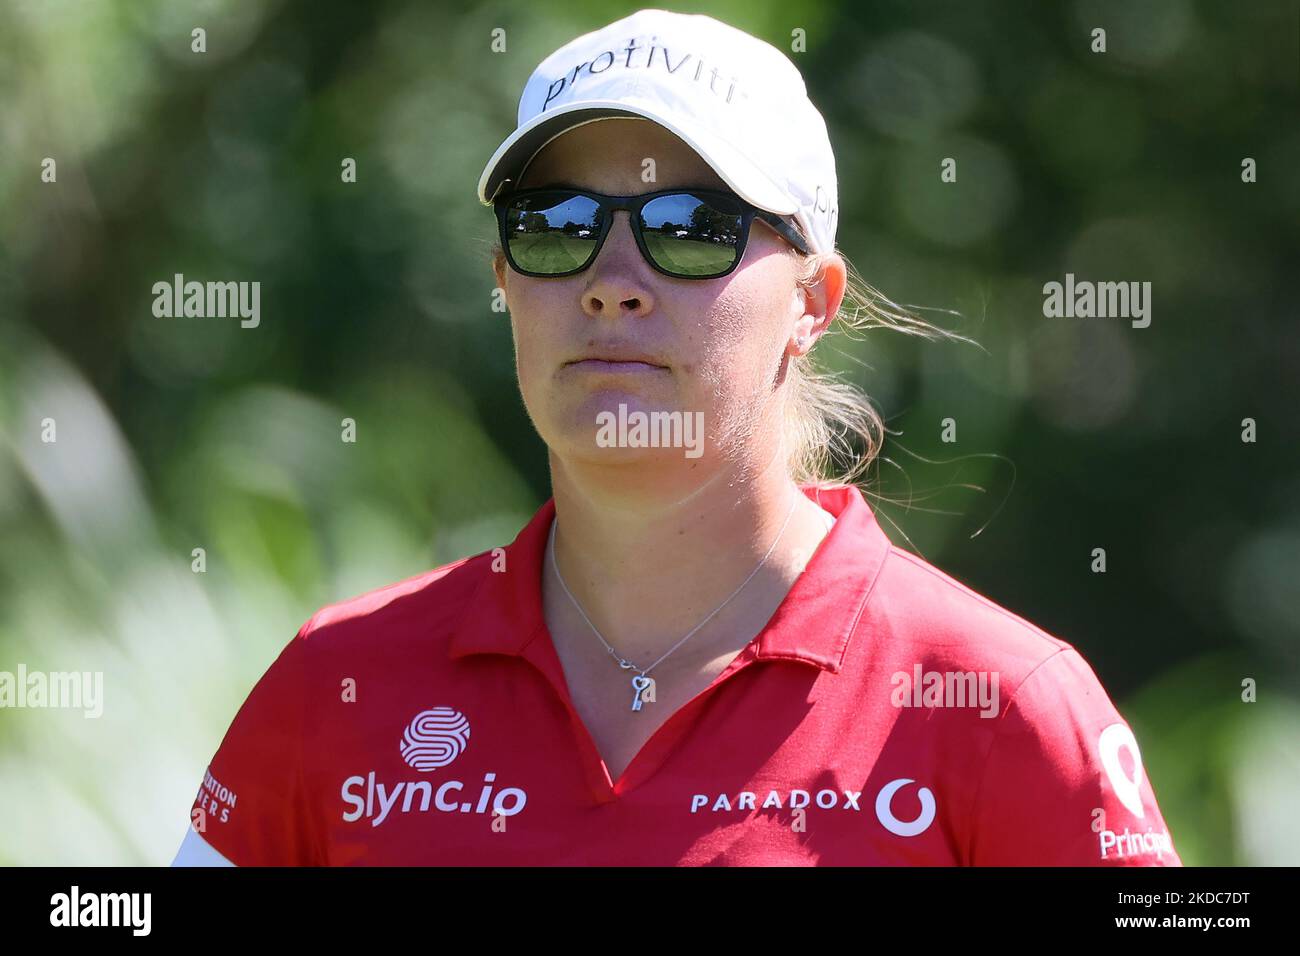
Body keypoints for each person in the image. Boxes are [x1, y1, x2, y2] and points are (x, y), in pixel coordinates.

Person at [172, 8, 1182, 866]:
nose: (611, 278)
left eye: (691, 225)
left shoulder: (1000, 704)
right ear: (503, 281)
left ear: (811, 300)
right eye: (556, 223)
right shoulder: (336, 683)